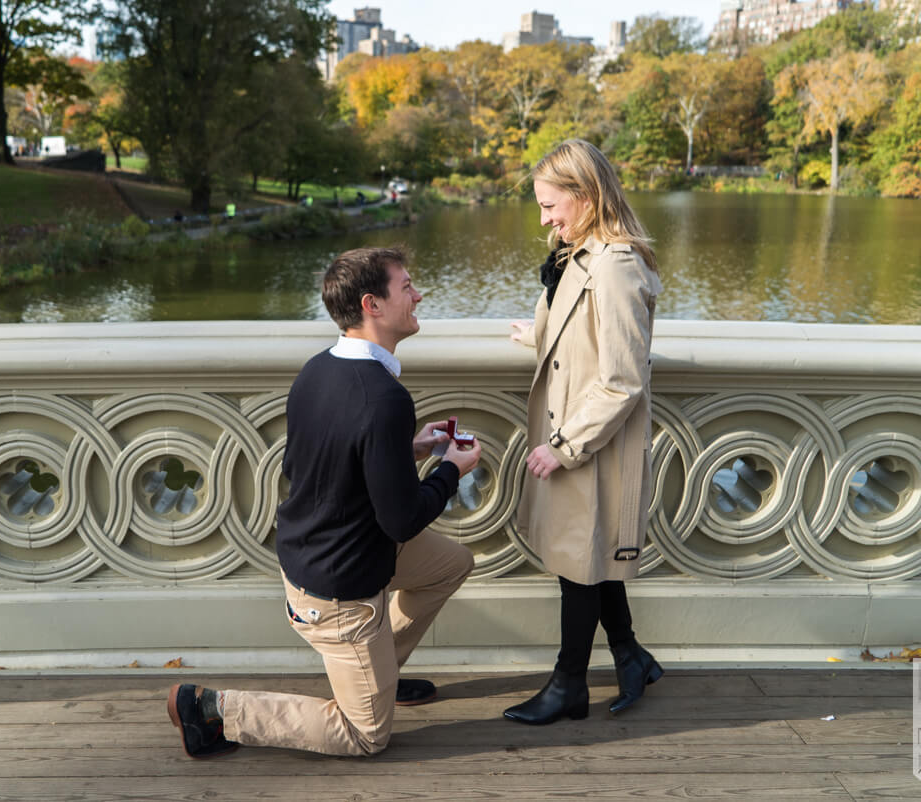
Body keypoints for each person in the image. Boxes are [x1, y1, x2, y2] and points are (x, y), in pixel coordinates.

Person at [167, 246, 481, 758]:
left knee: (451, 564)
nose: (418, 293)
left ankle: (380, 670)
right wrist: (452, 469)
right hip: (338, 588)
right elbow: (402, 520)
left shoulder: (319, 369)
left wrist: (409, 448)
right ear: (372, 304)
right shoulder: (383, 397)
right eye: (406, 286)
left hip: (334, 550)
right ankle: (211, 708)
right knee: (367, 736)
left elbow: (329, 463)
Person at [506, 139, 665, 726]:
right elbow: (581, 333)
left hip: (592, 444)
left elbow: (622, 382)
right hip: (579, 433)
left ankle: (569, 685)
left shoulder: (617, 267)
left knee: (579, 567)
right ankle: (630, 655)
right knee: (588, 557)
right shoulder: (581, 256)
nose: (545, 219)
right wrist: (537, 336)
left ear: (587, 196)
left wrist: (563, 447)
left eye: (552, 206)